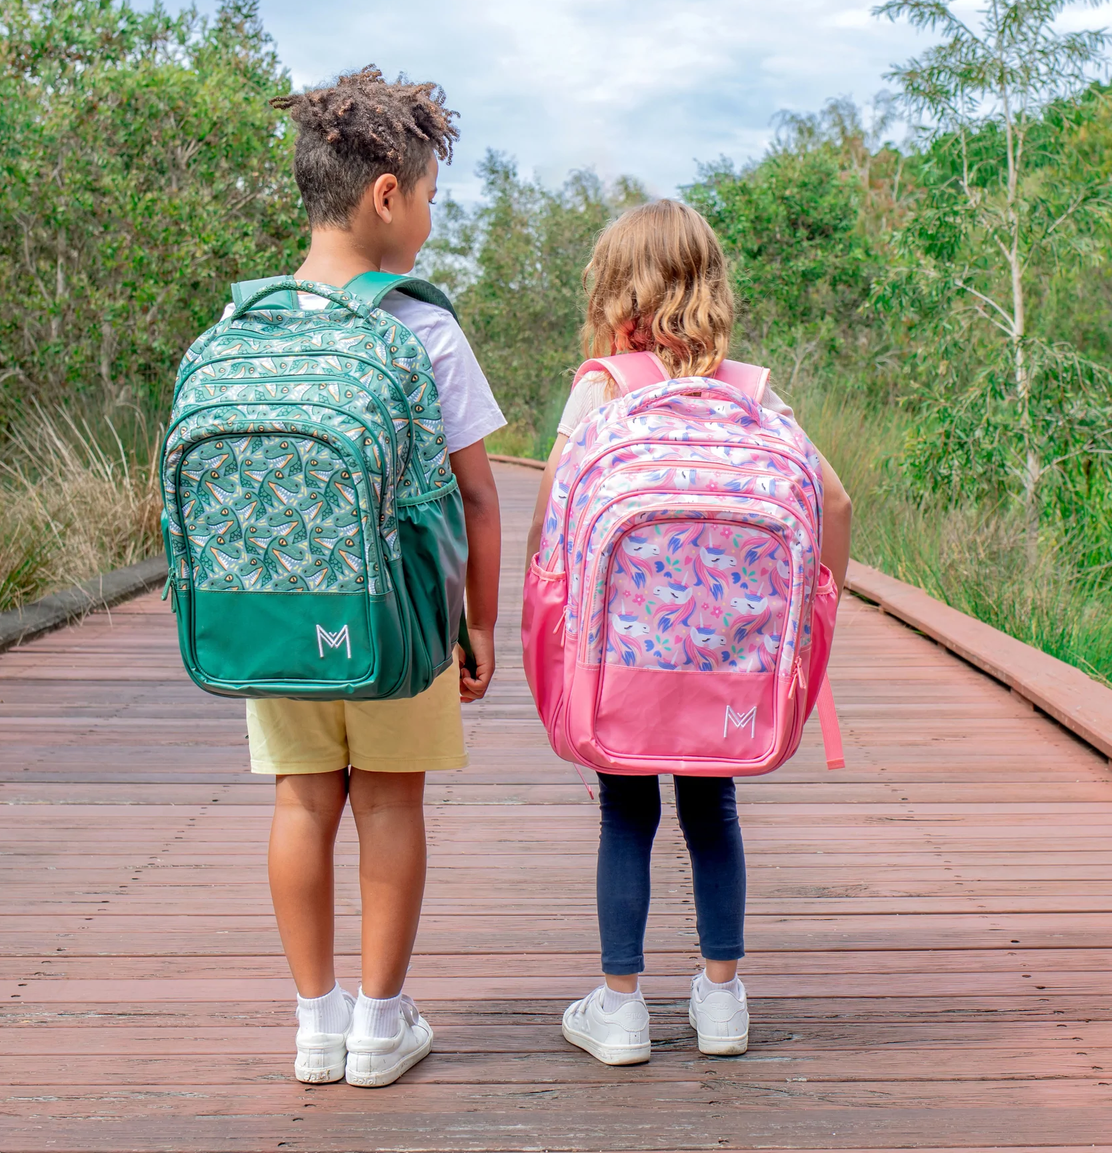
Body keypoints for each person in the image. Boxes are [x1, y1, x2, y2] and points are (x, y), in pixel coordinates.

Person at [525, 199, 852, 1065]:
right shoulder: (751, 392)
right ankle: (720, 1001)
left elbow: (555, 506)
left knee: (625, 814)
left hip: (619, 657)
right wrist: (817, 613)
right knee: (714, 807)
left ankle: (622, 1008)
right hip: (733, 663)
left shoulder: (603, 386)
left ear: (614, 289)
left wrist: (542, 602)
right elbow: (837, 502)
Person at [237, 68, 504, 1087]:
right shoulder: (421, 325)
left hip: (276, 609)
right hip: (400, 618)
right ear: (387, 195)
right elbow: (479, 498)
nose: (429, 220)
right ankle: (379, 1026)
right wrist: (478, 627)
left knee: (302, 804)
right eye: (430, 197)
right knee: (391, 805)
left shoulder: (252, 324)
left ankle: (315, 1023)